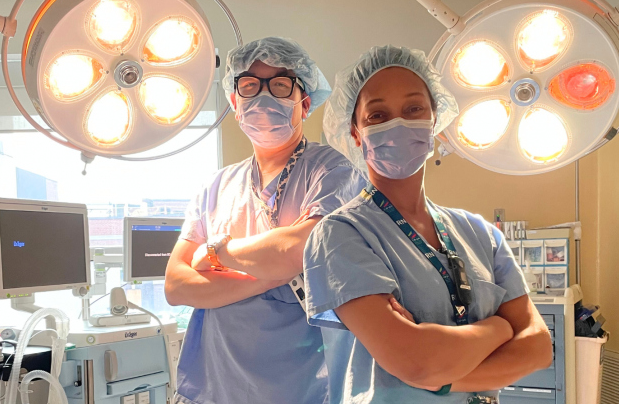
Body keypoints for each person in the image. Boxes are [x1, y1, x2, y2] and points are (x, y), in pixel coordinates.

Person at [303, 45, 553, 403]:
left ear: (435, 119)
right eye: (377, 115)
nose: (398, 124)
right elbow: (418, 363)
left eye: (413, 109)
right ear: (356, 134)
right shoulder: (341, 234)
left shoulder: (481, 234)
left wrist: (447, 379)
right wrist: (499, 327)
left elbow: (538, 347)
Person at [165, 37, 366, 404]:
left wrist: (216, 253)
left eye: (279, 84)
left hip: (298, 386)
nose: (263, 96)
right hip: (217, 384)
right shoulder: (216, 185)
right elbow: (177, 286)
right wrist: (271, 274)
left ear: (304, 104)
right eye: (249, 85)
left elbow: (298, 250)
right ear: (234, 102)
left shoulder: (333, 172)